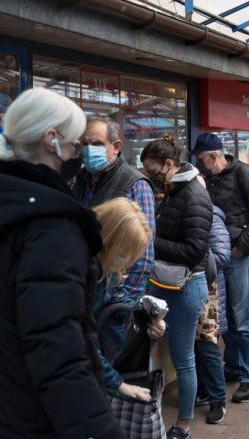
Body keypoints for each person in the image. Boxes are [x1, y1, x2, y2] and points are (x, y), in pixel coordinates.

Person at [0, 88, 129, 439]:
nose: (80, 153)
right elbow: (60, 351)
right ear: (52, 140)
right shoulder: (51, 228)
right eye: (77, 143)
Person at [141, 136, 213, 439]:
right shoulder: (173, 190)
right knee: (146, 346)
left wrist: (150, 240)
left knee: (183, 358)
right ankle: (145, 413)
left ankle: (183, 426)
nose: (152, 178)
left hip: (185, 286)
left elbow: (195, 249)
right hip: (161, 281)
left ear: (170, 166)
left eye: (155, 172)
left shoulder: (194, 195)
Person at [196, 132, 249, 404]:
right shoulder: (207, 179)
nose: (199, 166)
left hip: (239, 256)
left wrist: (242, 246)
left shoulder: (244, 174)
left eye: (201, 160)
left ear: (214, 156)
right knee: (226, 318)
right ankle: (232, 367)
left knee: (243, 319)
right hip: (219, 257)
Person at [74, 116, 155, 362]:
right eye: (84, 143)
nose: (88, 150)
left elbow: (143, 252)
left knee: (113, 370)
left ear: (116, 146)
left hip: (114, 302)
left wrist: (122, 302)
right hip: (85, 294)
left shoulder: (135, 184)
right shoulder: (80, 179)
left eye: (96, 143)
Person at [91, 198, 162, 403]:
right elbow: (77, 340)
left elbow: (121, 298)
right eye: (125, 253)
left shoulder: (106, 268)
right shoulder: (79, 272)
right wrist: (116, 383)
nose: (128, 262)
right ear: (110, 240)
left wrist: (148, 318)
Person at [194, 201, 230, 425]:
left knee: (207, 345)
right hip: (188, 286)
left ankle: (218, 400)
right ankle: (204, 391)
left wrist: (190, 259)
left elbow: (222, 256)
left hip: (209, 291)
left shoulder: (213, 217)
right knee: (194, 346)